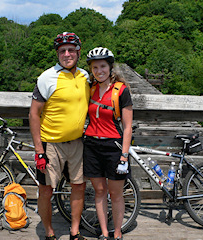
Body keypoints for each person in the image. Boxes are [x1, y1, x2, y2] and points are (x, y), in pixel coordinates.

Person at [29, 32, 90, 240]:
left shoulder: (85, 76)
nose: (67, 54)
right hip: (50, 143)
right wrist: (39, 151)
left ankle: (74, 231)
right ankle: (49, 233)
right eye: (62, 51)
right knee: (46, 190)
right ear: (57, 53)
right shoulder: (46, 77)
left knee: (78, 186)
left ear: (78, 52)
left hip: (77, 142)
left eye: (71, 50)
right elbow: (34, 114)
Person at [83, 47, 133, 240]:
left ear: (110, 67)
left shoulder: (121, 90)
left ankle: (117, 232)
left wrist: (124, 156)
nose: (99, 70)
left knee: (116, 193)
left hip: (114, 147)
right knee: (99, 191)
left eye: (103, 66)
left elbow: (127, 127)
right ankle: (104, 233)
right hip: (92, 146)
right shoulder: (91, 89)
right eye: (95, 67)